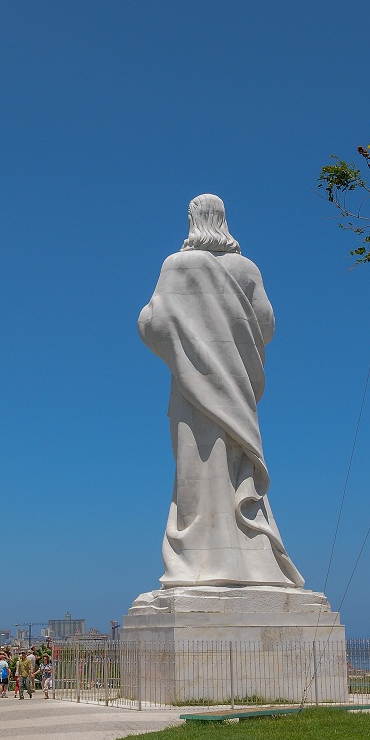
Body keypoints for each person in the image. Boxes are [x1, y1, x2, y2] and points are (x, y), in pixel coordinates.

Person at [138, 194, 304, 589]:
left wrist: (190, 335)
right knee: (235, 466)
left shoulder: (176, 266)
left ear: (193, 219)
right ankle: (250, 561)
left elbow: (153, 323)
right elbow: (266, 326)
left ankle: (199, 563)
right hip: (238, 388)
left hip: (193, 389)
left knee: (196, 473)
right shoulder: (247, 269)